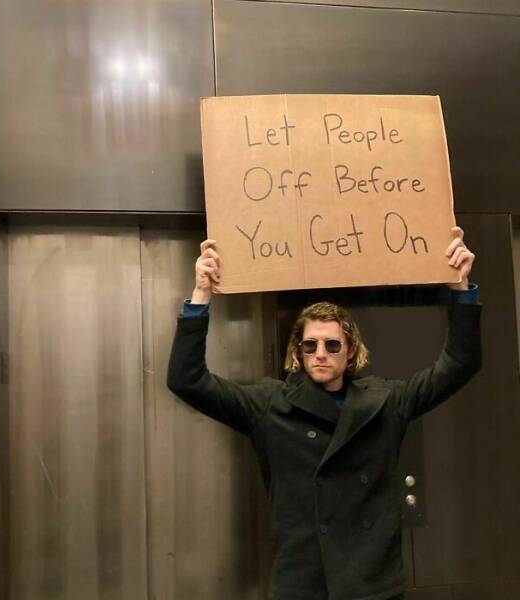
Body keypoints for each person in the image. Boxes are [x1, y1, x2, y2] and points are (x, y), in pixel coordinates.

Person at [167, 227, 481, 600]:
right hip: (304, 584)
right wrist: (201, 294)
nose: (320, 353)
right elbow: (187, 380)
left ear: (350, 352)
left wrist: (461, 288)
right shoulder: (270, 406)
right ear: (298, 352)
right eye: (310, 344)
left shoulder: (387, 402)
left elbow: (460, 364)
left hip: (372, 585)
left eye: (333, 344)